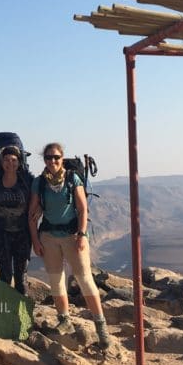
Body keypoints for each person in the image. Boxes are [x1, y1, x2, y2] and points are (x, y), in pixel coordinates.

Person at [28, 142, 113, 348]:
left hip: (72, 235)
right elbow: (32, 215)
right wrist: (35, 240)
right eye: (48, 158)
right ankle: (64, 320)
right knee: (56, 280)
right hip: (49, 236)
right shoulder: (39, 183)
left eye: (56, 157)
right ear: (44, 160)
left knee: (85, 279)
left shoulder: (72, 179)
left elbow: (83, 210)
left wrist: (82, 235)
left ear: (62, 158)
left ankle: (101, 328)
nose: (52, 161)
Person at [0, 144, 32, 294]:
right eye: (6, 160)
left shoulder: (27, 180)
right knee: (4, 275)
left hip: (23, 234)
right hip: (1, 234)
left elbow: (38, 200)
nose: (10, 163)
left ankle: (22, 312)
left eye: (13, 159)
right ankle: (6, 312)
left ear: (19, 162)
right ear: (1, 162)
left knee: (21, 277)